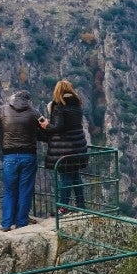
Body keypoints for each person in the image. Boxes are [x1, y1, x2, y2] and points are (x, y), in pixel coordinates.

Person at [0, 89, 47, 231]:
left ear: (13, 98)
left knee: (9, 190)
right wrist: (34, 134)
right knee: (25, 190)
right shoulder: (34, 112)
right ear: (28, 100)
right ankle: (21, 224)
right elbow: (46, 129)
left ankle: (6, 224)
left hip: (9, 156)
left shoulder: (2, 110)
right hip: (28, 155)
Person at [43, 79, 89, 214]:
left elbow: (58, 127)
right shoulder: (77, 105)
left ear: (58, 91)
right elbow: (70, 124)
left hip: (64, 149)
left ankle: (62, 208)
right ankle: (81, 206)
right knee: (76, 177)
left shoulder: (58, 106)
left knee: (65, 179)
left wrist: (47, 125)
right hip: (79, 146)